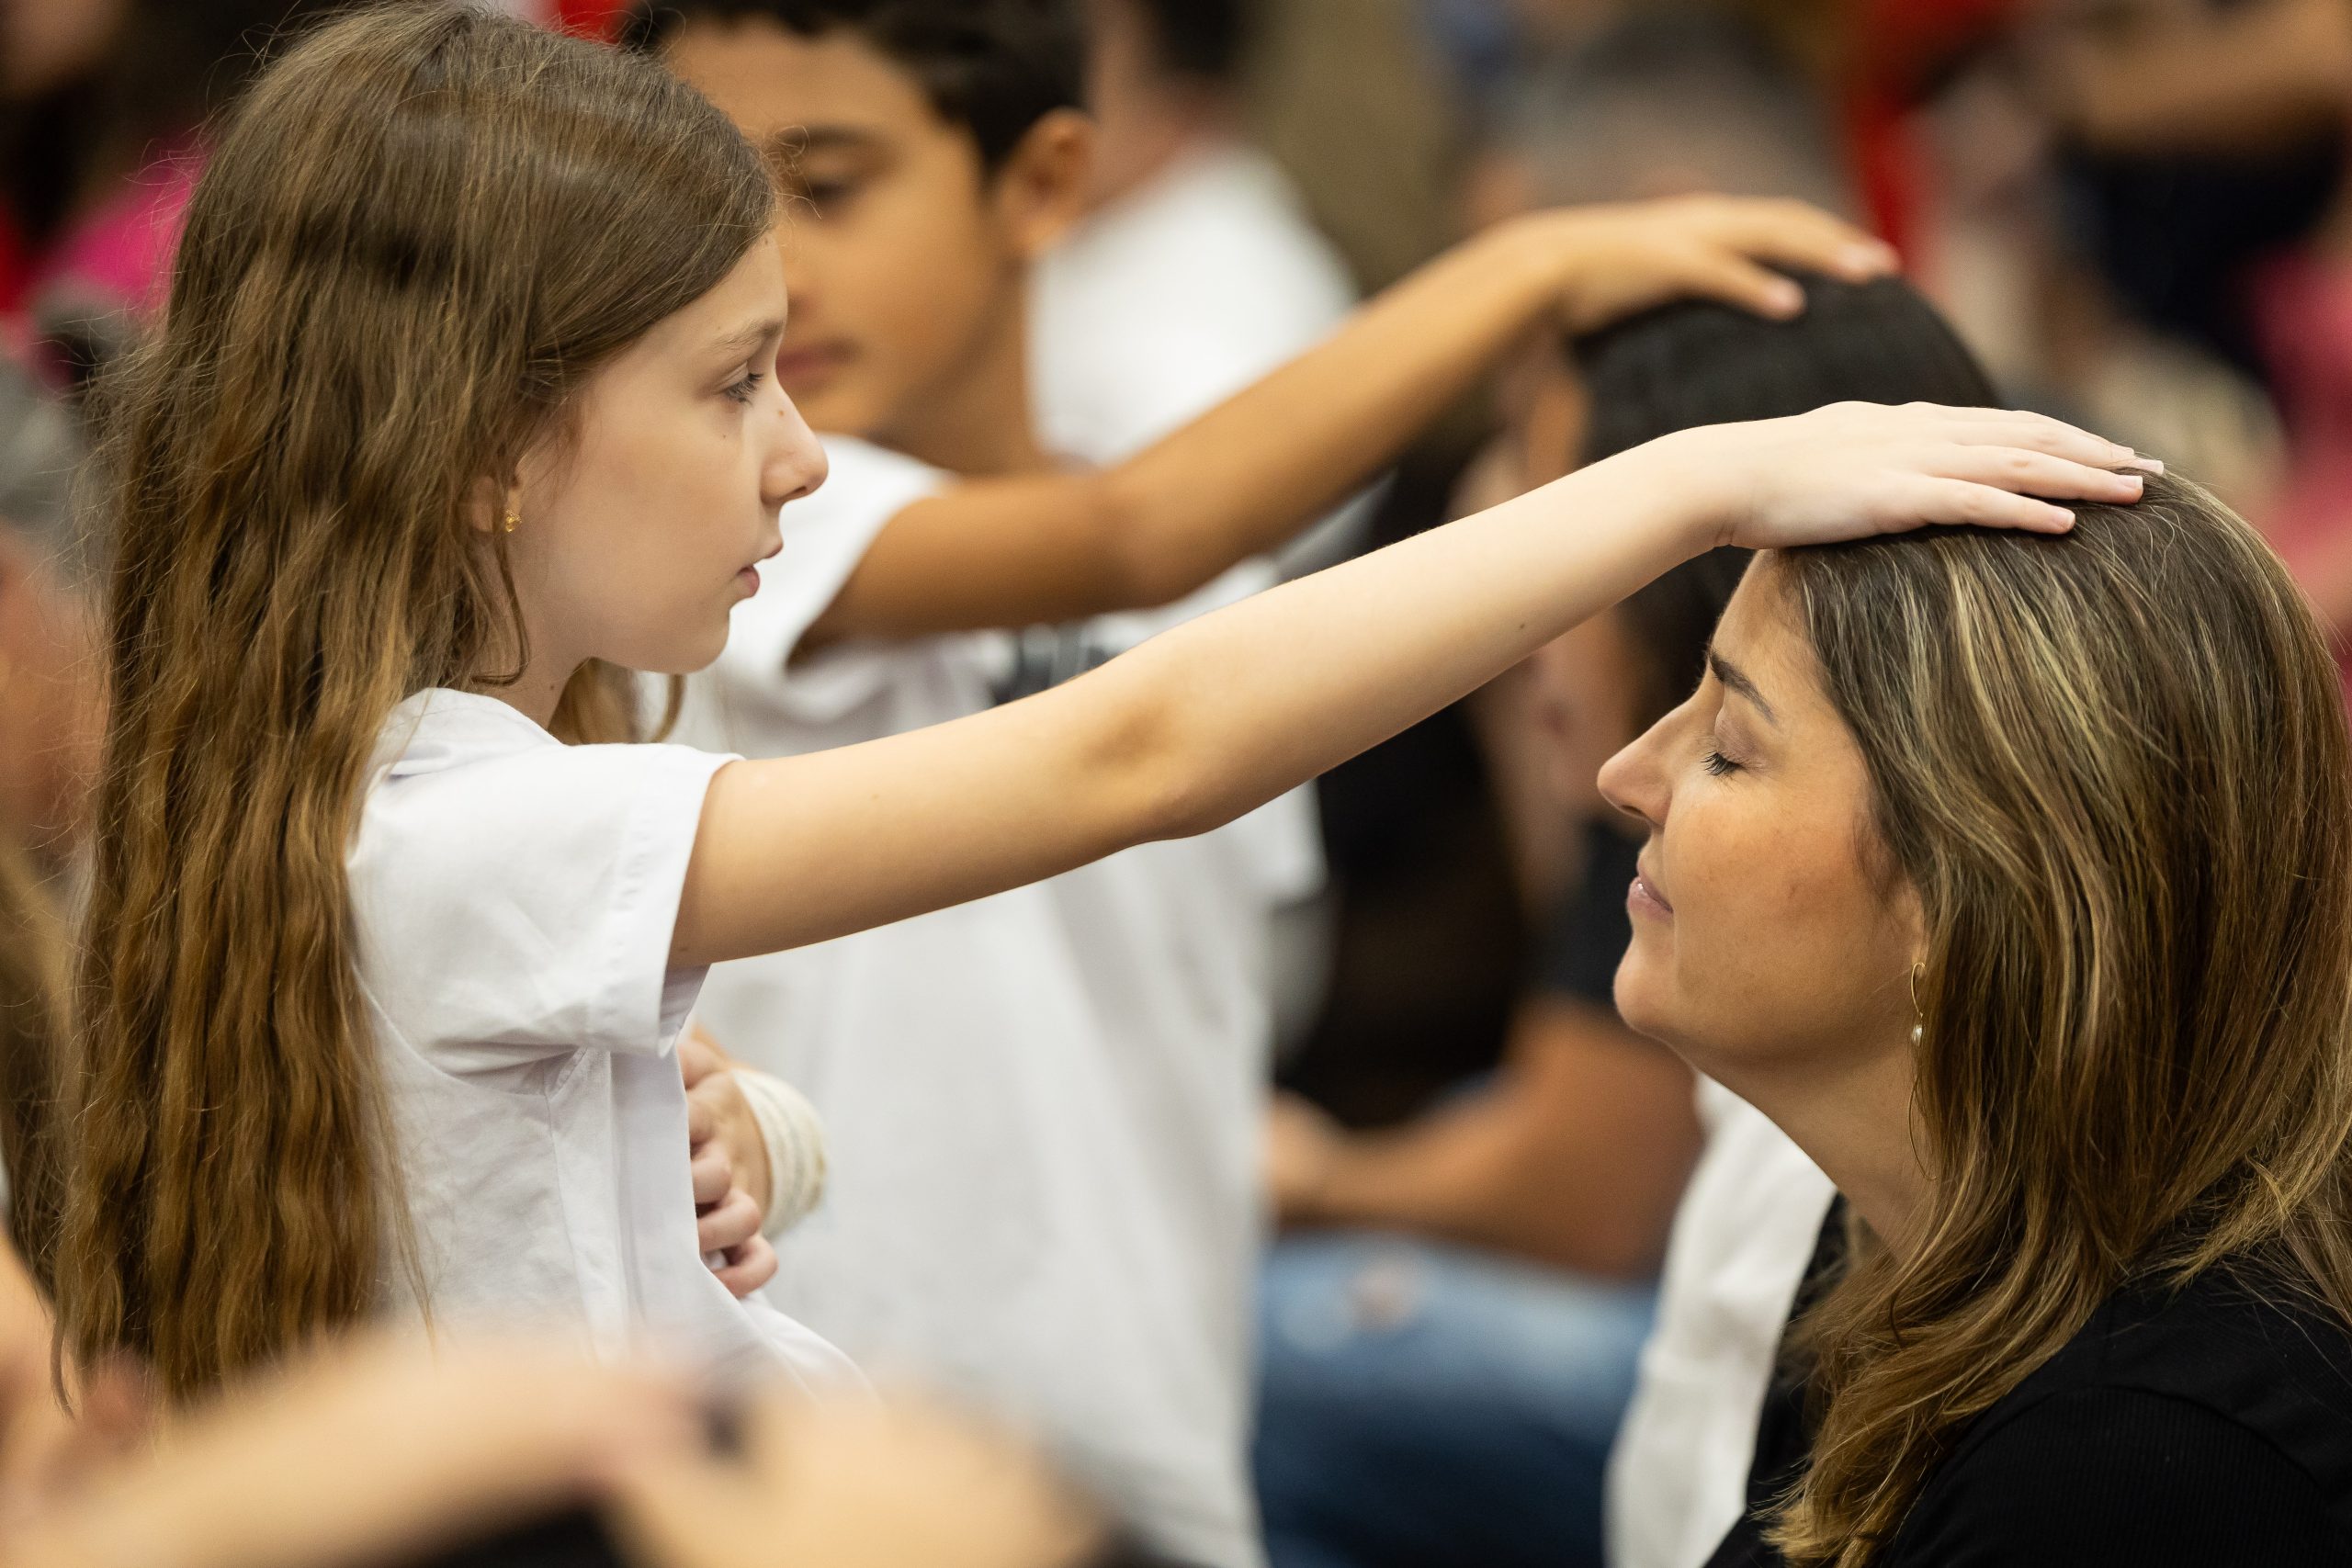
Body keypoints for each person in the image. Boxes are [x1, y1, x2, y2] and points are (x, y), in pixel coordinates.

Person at [60, 0, 2139, 1451]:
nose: (796, 457)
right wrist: (1699, 481)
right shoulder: (461, 834)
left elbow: (549, 1185)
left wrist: (722, 1129)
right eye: (727, 385)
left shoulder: (435, 818)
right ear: (491, 449)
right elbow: (1134, 748)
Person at [625, 3, 1924, 1562]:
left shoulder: (1207, 582)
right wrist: (1547, 267)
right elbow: (1140, 535)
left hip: (1159, 1445)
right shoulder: (750, 535)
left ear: (1041, 182)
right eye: (703, 203)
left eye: (827, 184)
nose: (775, 263)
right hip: (852, 1469)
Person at [1255, 273, 2002, 1568]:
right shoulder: (1695, 820)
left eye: (1558, 518)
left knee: (1250, 1340)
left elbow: (1585, 1190)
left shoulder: (1831, 1152)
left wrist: (1314, 1181)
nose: (1507, 573)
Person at [1595, 467, 2352, 1566]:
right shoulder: (1900, 1240)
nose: (1628, 774)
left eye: (1728, 746)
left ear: (1966, 897)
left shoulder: (2139, 1471)